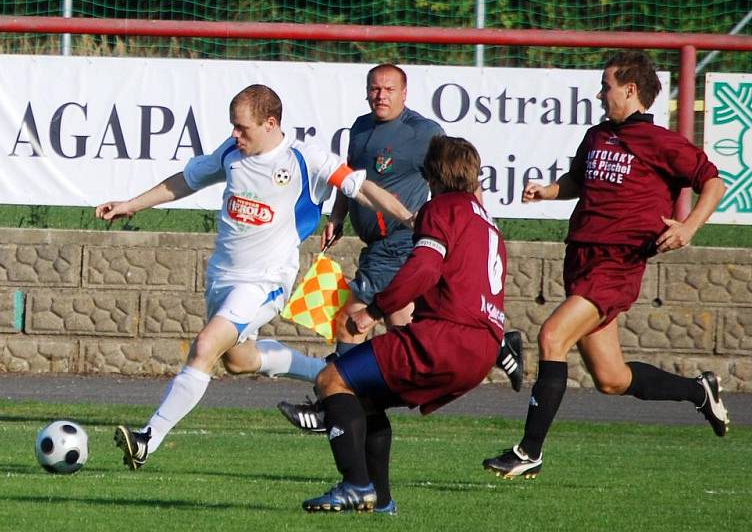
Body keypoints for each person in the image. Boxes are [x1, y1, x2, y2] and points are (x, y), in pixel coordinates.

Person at [96, 84, 414, 470]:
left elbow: (360, 188)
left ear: (270, 123)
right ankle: (330, 375)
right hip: (221, 277)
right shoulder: (232, 154)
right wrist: (130, 204)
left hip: (265, 280)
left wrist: (412, 219)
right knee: (238, 360)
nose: (235, 134)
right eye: (233, 127)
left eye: (242, 128)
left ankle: (148, 438)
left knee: (204, 347)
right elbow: (185, 180)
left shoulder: (305, 158)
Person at [483, 50, 730, 480]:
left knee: (551, 337)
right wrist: (547, 192)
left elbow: (713, 180)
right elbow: (578, 182)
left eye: (607, 86)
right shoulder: (597, 135)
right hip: (581, 258)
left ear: (630, 90)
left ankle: (529, 452)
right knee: (612, 378)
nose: (601, 94)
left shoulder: (662, 142)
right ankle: (699, 390)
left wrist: (689, 226)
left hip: (617, 265)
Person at [278, 64, 523, 433]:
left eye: (389, 89)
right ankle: (498, 344)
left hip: (402, 243)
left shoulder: (423, 132)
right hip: (374, 245)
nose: (381, 95)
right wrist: (338, 217)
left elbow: (463, 175)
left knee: (351, 323)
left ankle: (333, 405)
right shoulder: (360, 129)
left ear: (405, 94)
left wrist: (477, 219)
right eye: (375, 88)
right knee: (404, 328)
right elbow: (350, 180)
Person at [301, 135, 507, 514]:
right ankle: (381, 502)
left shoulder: (442, 208)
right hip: (483, 350)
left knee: (331, 380)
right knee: (363, 400)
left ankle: (354, 486)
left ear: (432, 175)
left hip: (444, 338)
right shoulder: (487, 223)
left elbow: (425, 267)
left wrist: (374, 312)